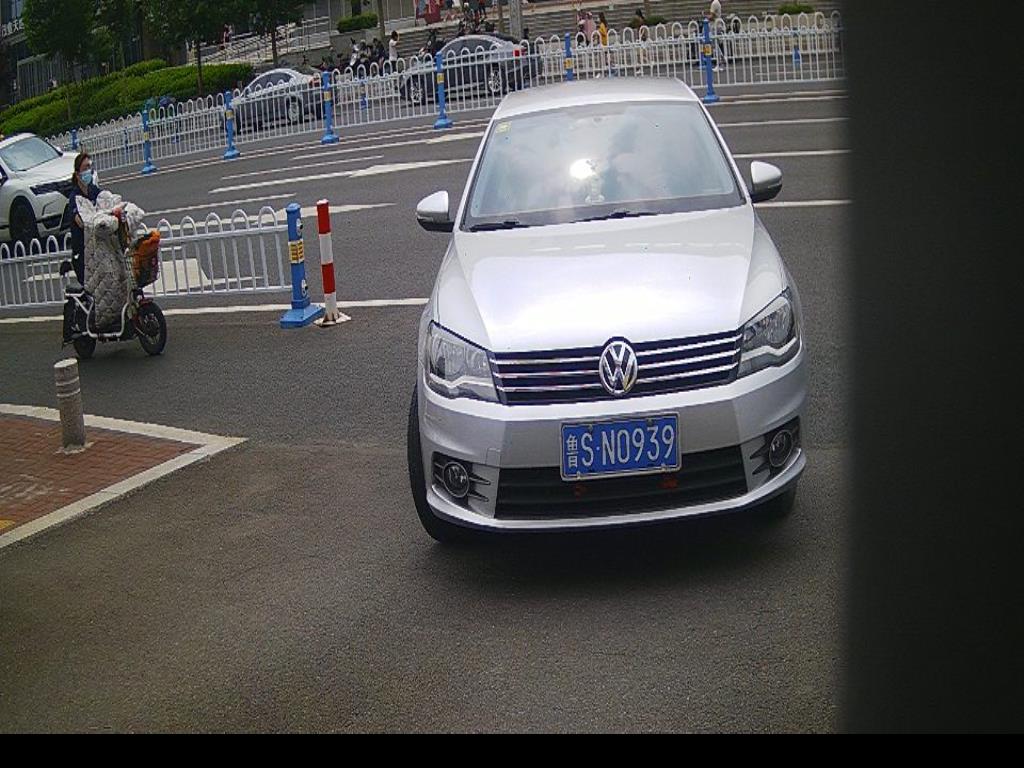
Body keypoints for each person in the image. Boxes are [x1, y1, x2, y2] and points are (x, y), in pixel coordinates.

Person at [59, 152, 101, 286]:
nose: (89, 170)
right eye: (85, 168)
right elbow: (81, 222)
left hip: (97, 251)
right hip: (83, 255)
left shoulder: (94, 190)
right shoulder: (74, 198)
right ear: (78, 174)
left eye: (90, 166)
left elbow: (106, 201)